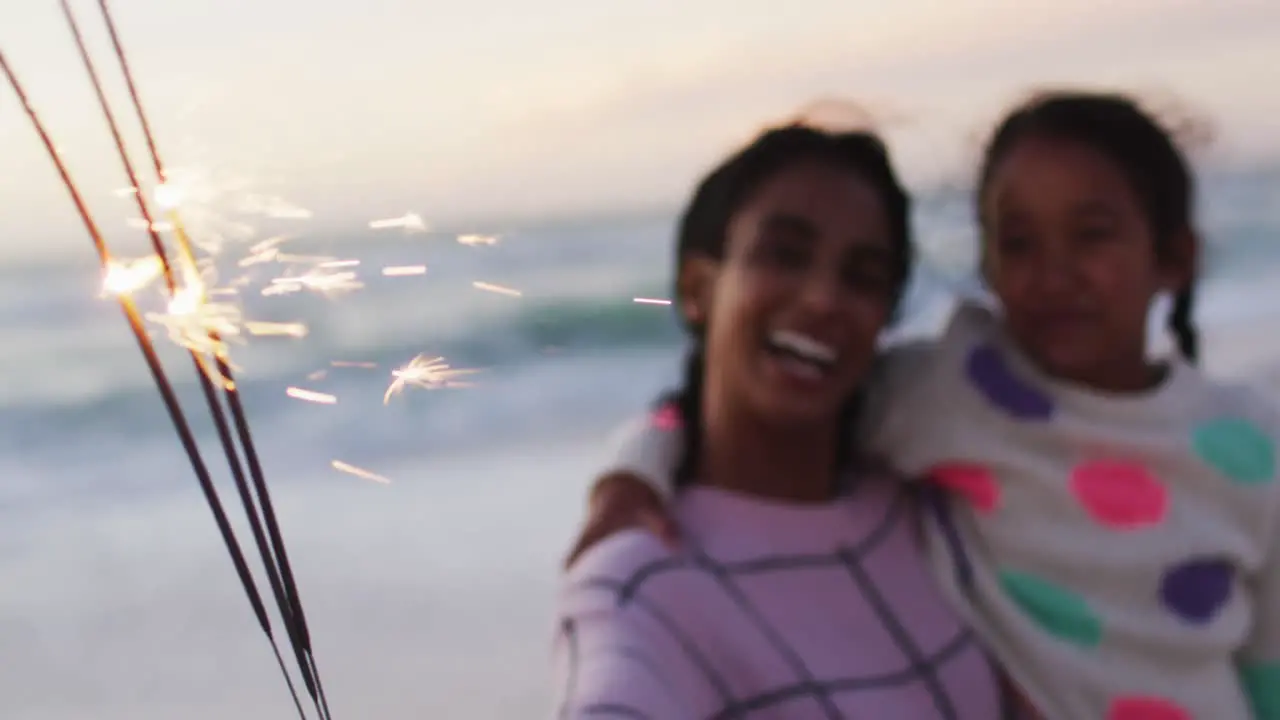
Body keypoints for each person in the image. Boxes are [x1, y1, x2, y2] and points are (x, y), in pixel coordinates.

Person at [566, 91, 1280, 720]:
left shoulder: (1252, 441)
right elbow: (770, 395)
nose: (1054, 273)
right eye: (1019, 242)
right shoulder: (956, 393)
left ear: (1175, 258)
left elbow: (1268, 656)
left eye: (1090, 234)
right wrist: (633, 472)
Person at [553, 120, 1005, 719]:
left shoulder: (934, 513)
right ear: (698, 288)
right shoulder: (638, 577)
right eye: (784, 255)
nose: (823, 298)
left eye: (863, 276)